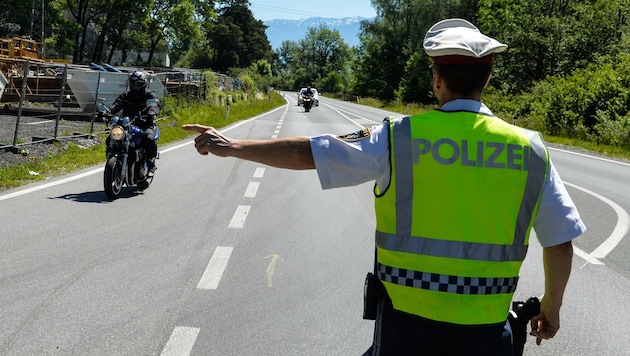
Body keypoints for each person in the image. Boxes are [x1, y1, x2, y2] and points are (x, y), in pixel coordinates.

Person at [182, 18, 586, 355]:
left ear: (437, 78)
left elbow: (312, 153)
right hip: (488, 335)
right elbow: (560, 241)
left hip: (405, 334)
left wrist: (232, 145)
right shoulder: (529, 149)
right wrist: (551, 309)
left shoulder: (399, 137)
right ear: (488, 77)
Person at [108, 70, 160, 174]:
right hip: (127, 124)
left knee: (148, 138)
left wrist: (152, 113)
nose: (135, 87)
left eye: (138, 84)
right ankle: (113, 156)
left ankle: (150, 163)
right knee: (111, 137)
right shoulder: (126, 95)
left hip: (144, 123)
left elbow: (155, 105)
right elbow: (117, 104)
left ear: (144, 83)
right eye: (133, 83)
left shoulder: (149, 95)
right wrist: (108, 112)